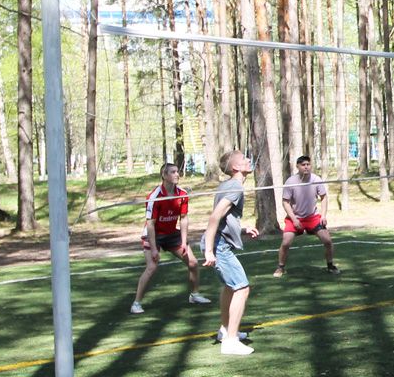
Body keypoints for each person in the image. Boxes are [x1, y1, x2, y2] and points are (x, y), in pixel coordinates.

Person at [202, 150, 262, 356]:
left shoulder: (228, 185)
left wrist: (243, 228)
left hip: (219, 244)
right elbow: (214, 217)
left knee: (230, 286)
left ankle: (226, 330)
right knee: (242, 288)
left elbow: (226, 219)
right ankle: (230, 341)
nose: (248, 160)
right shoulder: (235, 187)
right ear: (236, 167)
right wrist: (209, 251)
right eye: (244, 159)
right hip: (218, 246)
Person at [131, 162, 205, 313]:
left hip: (172, 234)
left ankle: (195, 294)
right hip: (153, 234)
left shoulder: (182, 194)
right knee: (152, 267)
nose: (177, 174)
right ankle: (136, 303)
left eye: (177, 171)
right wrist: (153, 249)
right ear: (164, 175)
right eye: (173, 172)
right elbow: (150, 224)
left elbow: (183, 218)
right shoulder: (154, 197)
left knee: (192, 262)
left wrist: (183, 242)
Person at [274, 155, 338, 277]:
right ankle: (280, 267)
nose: (306, 167)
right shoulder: (290, 182)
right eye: (303, 165)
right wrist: (294, 219)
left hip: (312, 217)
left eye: (308, 164)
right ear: (298, 166)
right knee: (286, 243)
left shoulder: (316, 179)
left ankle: (330, 266)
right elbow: (285, 202)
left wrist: (323, 216)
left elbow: (324, 197)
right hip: (294, 218)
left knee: (328, 241)